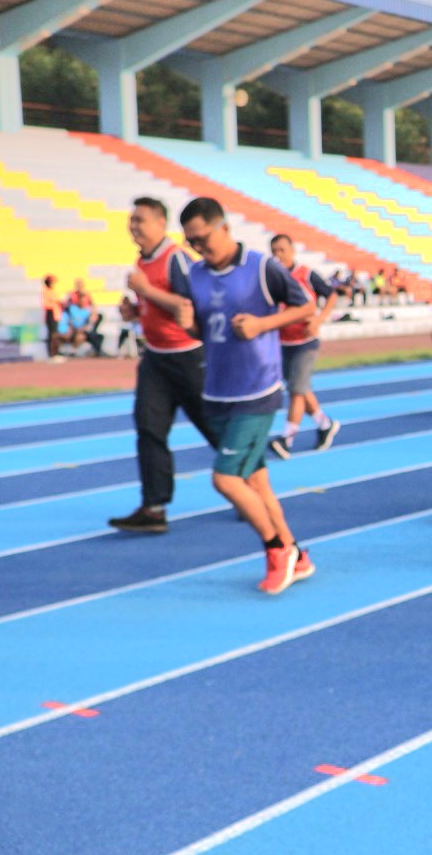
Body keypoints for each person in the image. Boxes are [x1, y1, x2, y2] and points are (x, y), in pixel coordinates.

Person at [169, 197, 316, 594]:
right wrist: (189, 326)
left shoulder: (261, 267)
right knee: (256, 483)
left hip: (258, 389)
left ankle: (276, 550)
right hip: (217, 390)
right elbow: (206, 332)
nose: (199, 247)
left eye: (203, 238)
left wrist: (262, 324)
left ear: (224, 228)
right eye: (191, 241)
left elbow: (306, 308)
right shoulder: (194, 276)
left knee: (224, 478)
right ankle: (297, 555)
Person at [108, 196, 220, 534]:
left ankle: (249, 485)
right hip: (156, 358)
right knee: (148, 428)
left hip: (189, 357)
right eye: (131, 220)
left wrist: (147, 292)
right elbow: (155, 308)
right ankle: (154, 507)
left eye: (140, 220)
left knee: (215, 428)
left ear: (160, 223)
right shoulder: (142, 262)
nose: (134, 226)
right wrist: (135, 310)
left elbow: (191, 307)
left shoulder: (178, 260)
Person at [266, 234, 340, 460]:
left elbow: (332, 295)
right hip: (282, 342)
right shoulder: (271, 276)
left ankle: (287, 439)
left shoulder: (306, 274)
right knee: (301, 388)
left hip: (305, 341)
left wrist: (319, 319)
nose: (278, 255)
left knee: (297, 390)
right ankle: (324, 423)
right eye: (274, 250)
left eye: (282, 249)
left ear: (292, 250)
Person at [41, 275, 66, 360]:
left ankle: (55, 352)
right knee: (52, 334)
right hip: (50, 313)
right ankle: (52, 353)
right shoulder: (47, 291)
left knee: (55, 333)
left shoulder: (50, 291)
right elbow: (57, 301)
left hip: (54, 314)